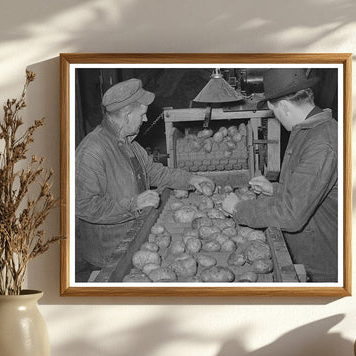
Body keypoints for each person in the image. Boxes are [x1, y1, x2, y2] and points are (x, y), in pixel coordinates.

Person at [75, 78, 214, 279]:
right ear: (127, 115)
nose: (146, 119)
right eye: (142, 114)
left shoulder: (128, 143)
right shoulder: (93, 151)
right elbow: (83, 205)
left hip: (134, 237)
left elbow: (154, 172)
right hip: (108, 252)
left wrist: (191, 179)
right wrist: (133, 204)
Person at [222, 68, 338, 282]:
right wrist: (274, 189)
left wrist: (239, 208)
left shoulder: (321, 143)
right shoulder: (310, 130)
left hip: (320, 264)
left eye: (274, 112)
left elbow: (291, 215)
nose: (276, 118)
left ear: (284, 107)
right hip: (309, 247)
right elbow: (309, 190)